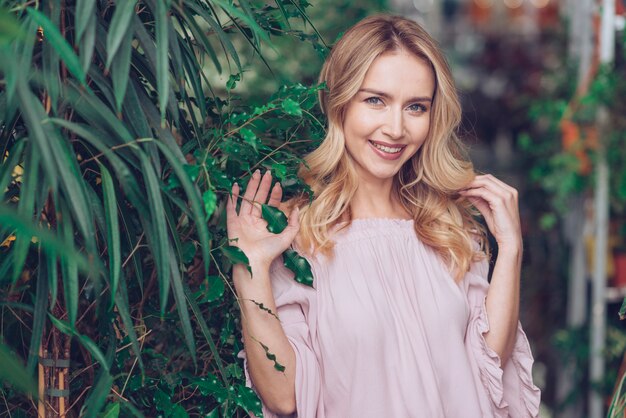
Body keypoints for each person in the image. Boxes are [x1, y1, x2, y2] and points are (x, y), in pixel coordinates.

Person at [226, 14, 541, 418]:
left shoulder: (449, 228)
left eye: (416, 107)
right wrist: (250, 269)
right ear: (339, 102)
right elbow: (285, 397)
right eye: (375, 100)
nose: (396, 128)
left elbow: (487, 367)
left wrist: (510, 249)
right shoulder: (297, 235)